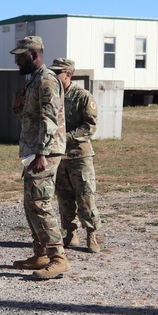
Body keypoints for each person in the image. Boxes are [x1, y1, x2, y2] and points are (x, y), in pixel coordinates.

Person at [10, 36, 69, 280]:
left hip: (44, 153)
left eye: (21, 57)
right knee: (31, 203)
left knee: (40, 203)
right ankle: (41, 253)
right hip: (33, 152)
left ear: (35, 55)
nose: (17, 62)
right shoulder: (33, 80)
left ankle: (58, 258)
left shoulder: (46, 80)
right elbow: (30, 118)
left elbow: (50, 119)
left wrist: (42, 153)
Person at [50, 58, 101, 254]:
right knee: (64, 197)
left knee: (86, 196)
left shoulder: (82, 96)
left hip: (79, 156)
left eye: (57, 74)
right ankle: (70, 233)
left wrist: (64, 138)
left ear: (68, 74)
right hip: (59, 156)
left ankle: (91, 234)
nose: (54, 77)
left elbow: (89, 127)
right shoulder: (52, 96)